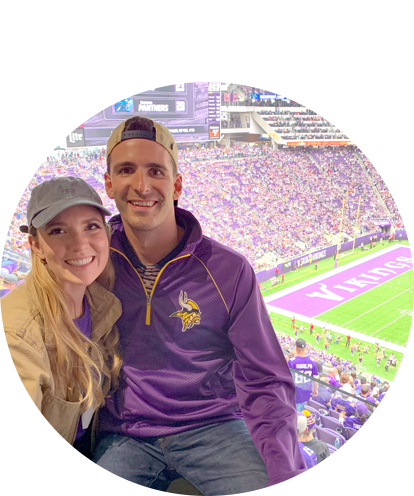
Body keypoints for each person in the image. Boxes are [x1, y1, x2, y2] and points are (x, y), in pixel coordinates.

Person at [82, 116, 310, 496]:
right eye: (126, 170)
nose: (141, 185)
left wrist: (286, 474)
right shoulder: (93, 260)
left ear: (176, 185)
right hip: (126, 433)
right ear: (108, 184)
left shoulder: (229, 270)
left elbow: (265, 378)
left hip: (214, 426)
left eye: (155, 171)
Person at [0, 177, 122, 495]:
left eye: (91, 226)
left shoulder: (103, 305)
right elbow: (18, 470)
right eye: (58, 230)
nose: (80, 244)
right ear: (35, 245)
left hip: (84, 461)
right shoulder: (13, 335)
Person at [343, 430, 396, 496]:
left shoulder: (350, 451)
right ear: (380, 446)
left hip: (346, 492)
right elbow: (392, 485)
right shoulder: (383, 463)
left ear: (364, 440)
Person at [297, 412, 336, 493]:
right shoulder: (312, 453)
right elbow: (327, 470)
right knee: (331, 477)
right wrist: (339, 463)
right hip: (303, 485)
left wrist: (331, 456)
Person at [299, 410, 343, 474]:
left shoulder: (292, 442)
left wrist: (329, 456)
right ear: (313, 427)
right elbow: (329, 471)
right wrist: (339, 462)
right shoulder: (322, 447)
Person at [288, 338, 319, 411]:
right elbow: (315, 378)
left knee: (296, 415)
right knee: (300, 413)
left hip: (295, 393)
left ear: (296, 348)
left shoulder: (291, 362)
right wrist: (315, 389)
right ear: (305, 347)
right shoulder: (312, 361)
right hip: (306, 392)